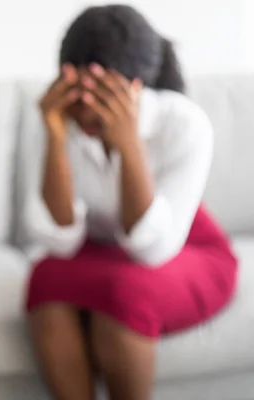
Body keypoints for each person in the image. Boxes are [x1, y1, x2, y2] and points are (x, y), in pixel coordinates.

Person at [25, 5, 238, 400]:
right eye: (77, 91)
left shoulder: (185, 124)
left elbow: (152, 250)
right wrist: (55, 137)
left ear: (138, 86)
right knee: (44, 280)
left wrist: (129, 143)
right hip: (100, 249)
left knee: (123, 296)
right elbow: (58, 242)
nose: (86, 108)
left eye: (103, 93)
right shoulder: (60, 117)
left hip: (181, 244)